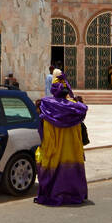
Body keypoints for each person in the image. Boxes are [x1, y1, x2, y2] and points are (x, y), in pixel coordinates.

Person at [35, 69, 88, 206]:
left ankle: (54, 193)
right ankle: (74, 193)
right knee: (71, 171)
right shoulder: (76, 108)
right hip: (72, 152)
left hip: (55, 150)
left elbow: (44, 134)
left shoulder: (47, 107)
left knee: (54, 170)